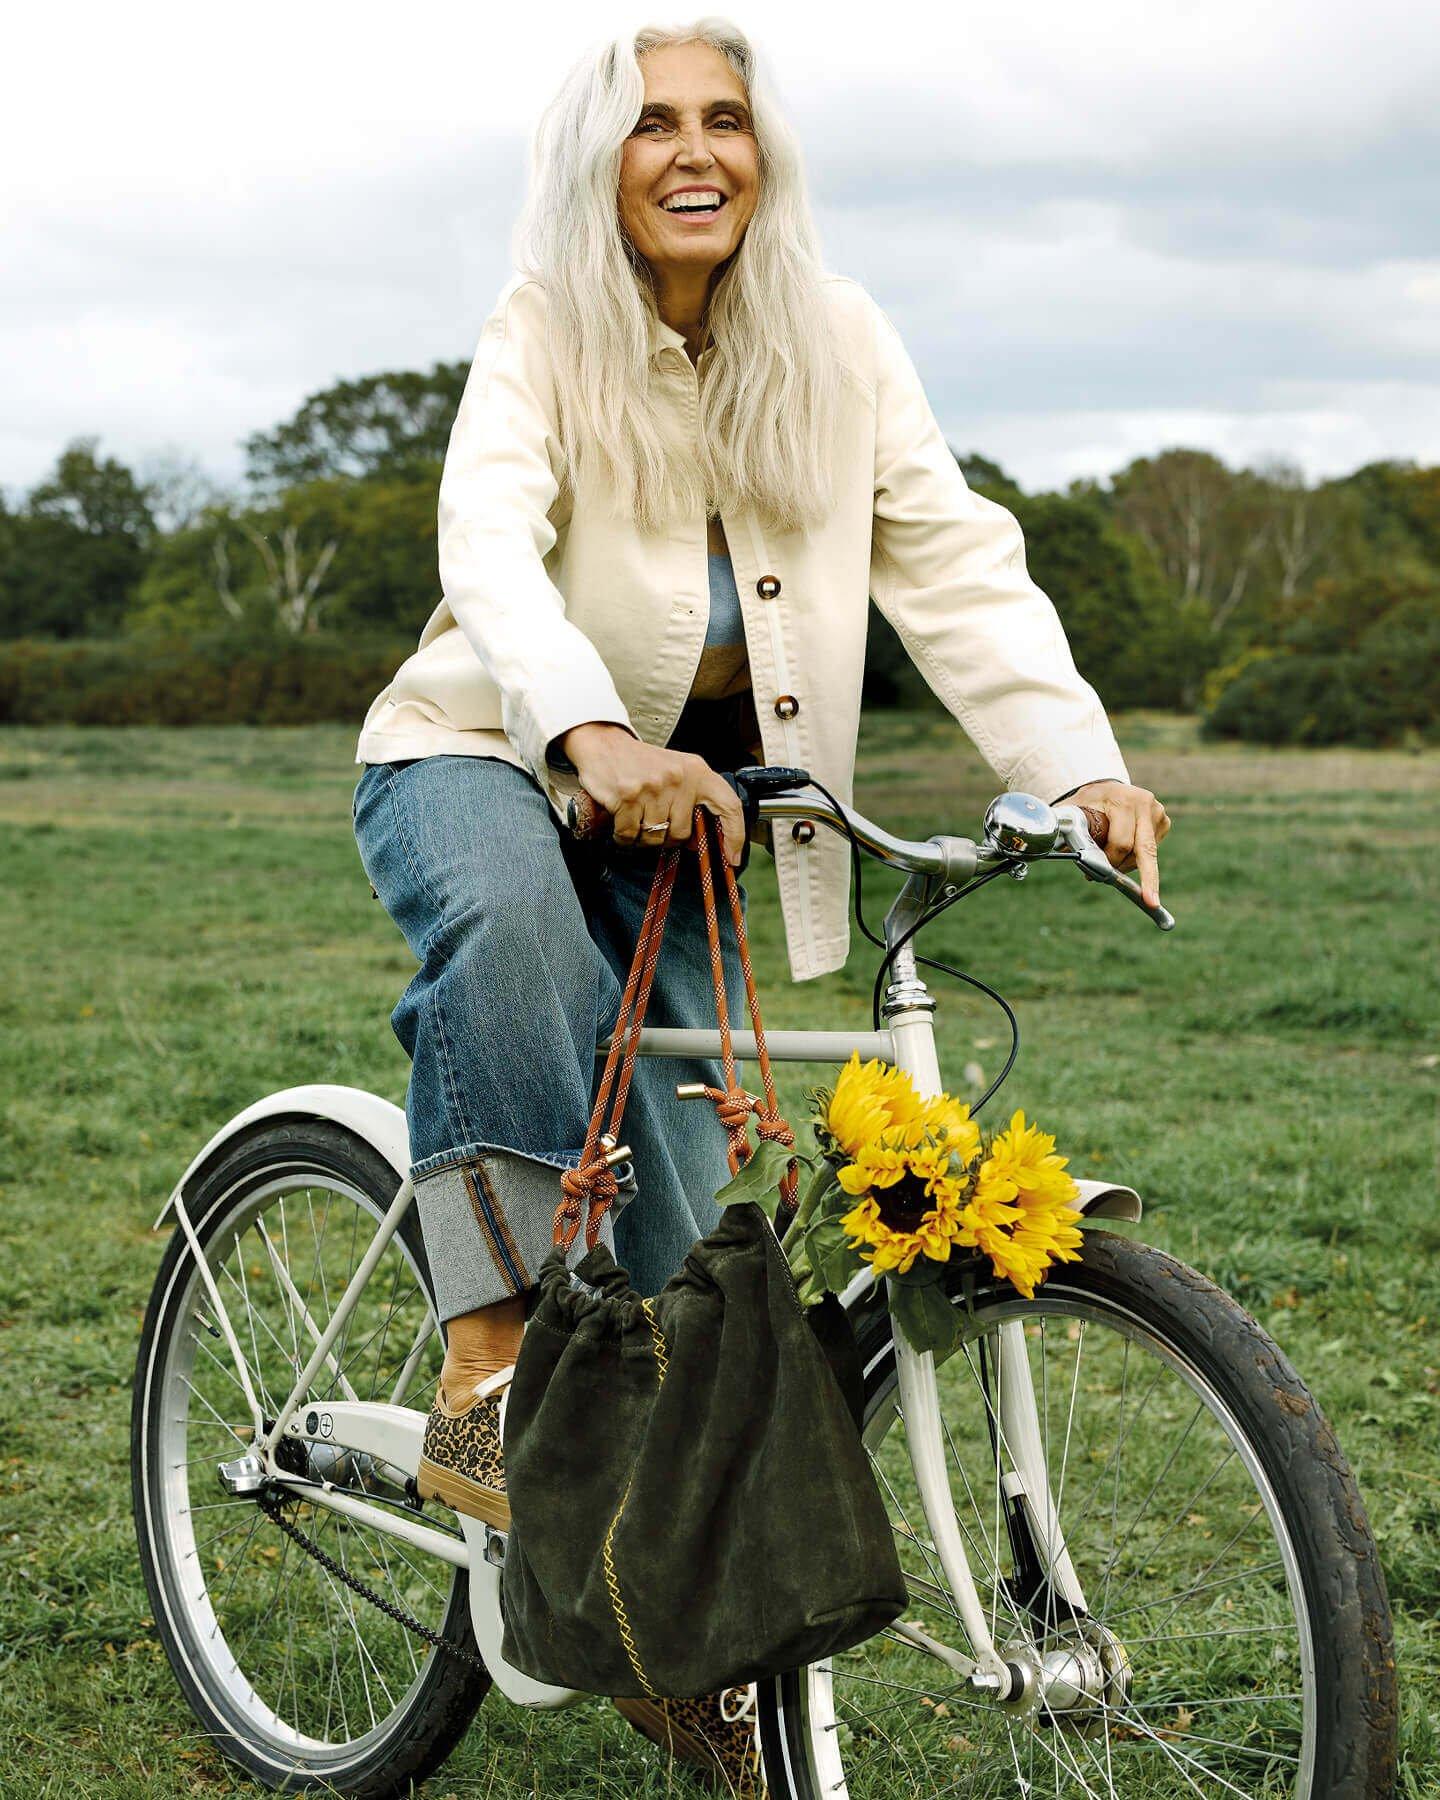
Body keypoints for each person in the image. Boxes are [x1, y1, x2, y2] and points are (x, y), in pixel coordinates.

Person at [351, 17, 1170, 1789]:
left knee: (686, 1252)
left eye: (726, 118)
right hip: (488, 747)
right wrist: (579, 723)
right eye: (653, 124)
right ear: (600, 159)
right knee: (506, 936)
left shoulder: (842, 340)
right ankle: (483, 1362)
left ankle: (662, 1646)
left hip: (711, 817)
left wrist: (1078, 758)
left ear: (768, 151)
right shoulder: (546, 327)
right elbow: (487, 543)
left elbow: (952, 561)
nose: (694, 150)